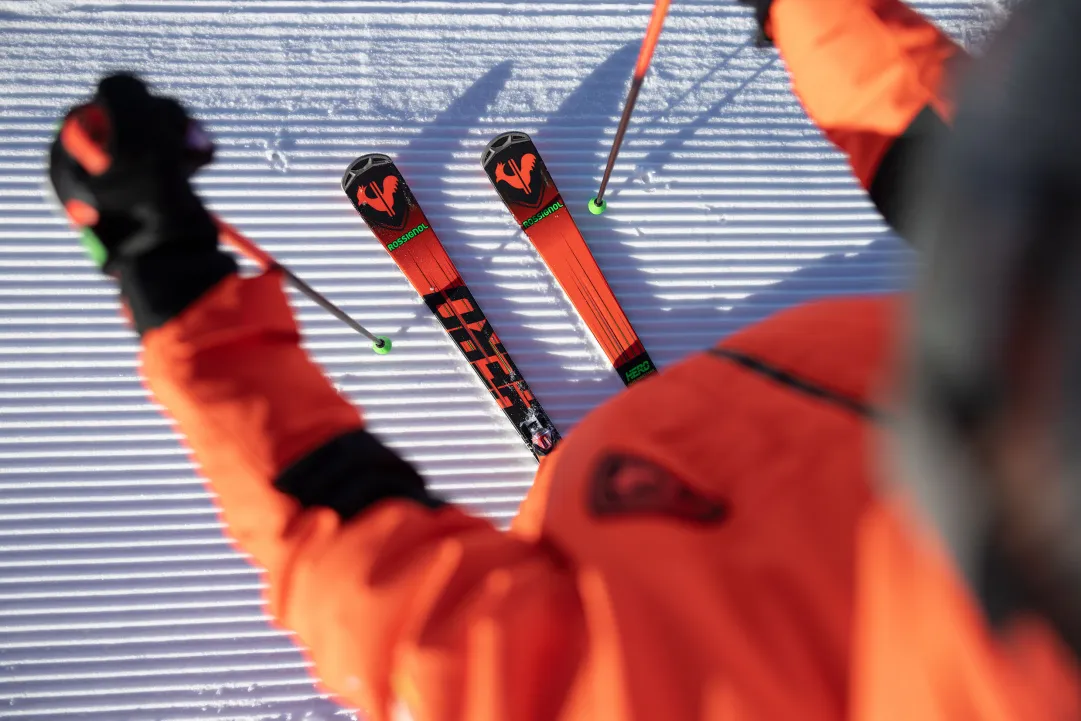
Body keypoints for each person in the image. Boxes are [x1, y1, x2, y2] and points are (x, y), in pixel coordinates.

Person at [45, 0, 1081, 718]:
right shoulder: (1030, 347)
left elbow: (351, 558)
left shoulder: (661, 690)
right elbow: (973, 171)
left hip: (590, 537)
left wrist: (168, 280)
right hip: (738, 429)